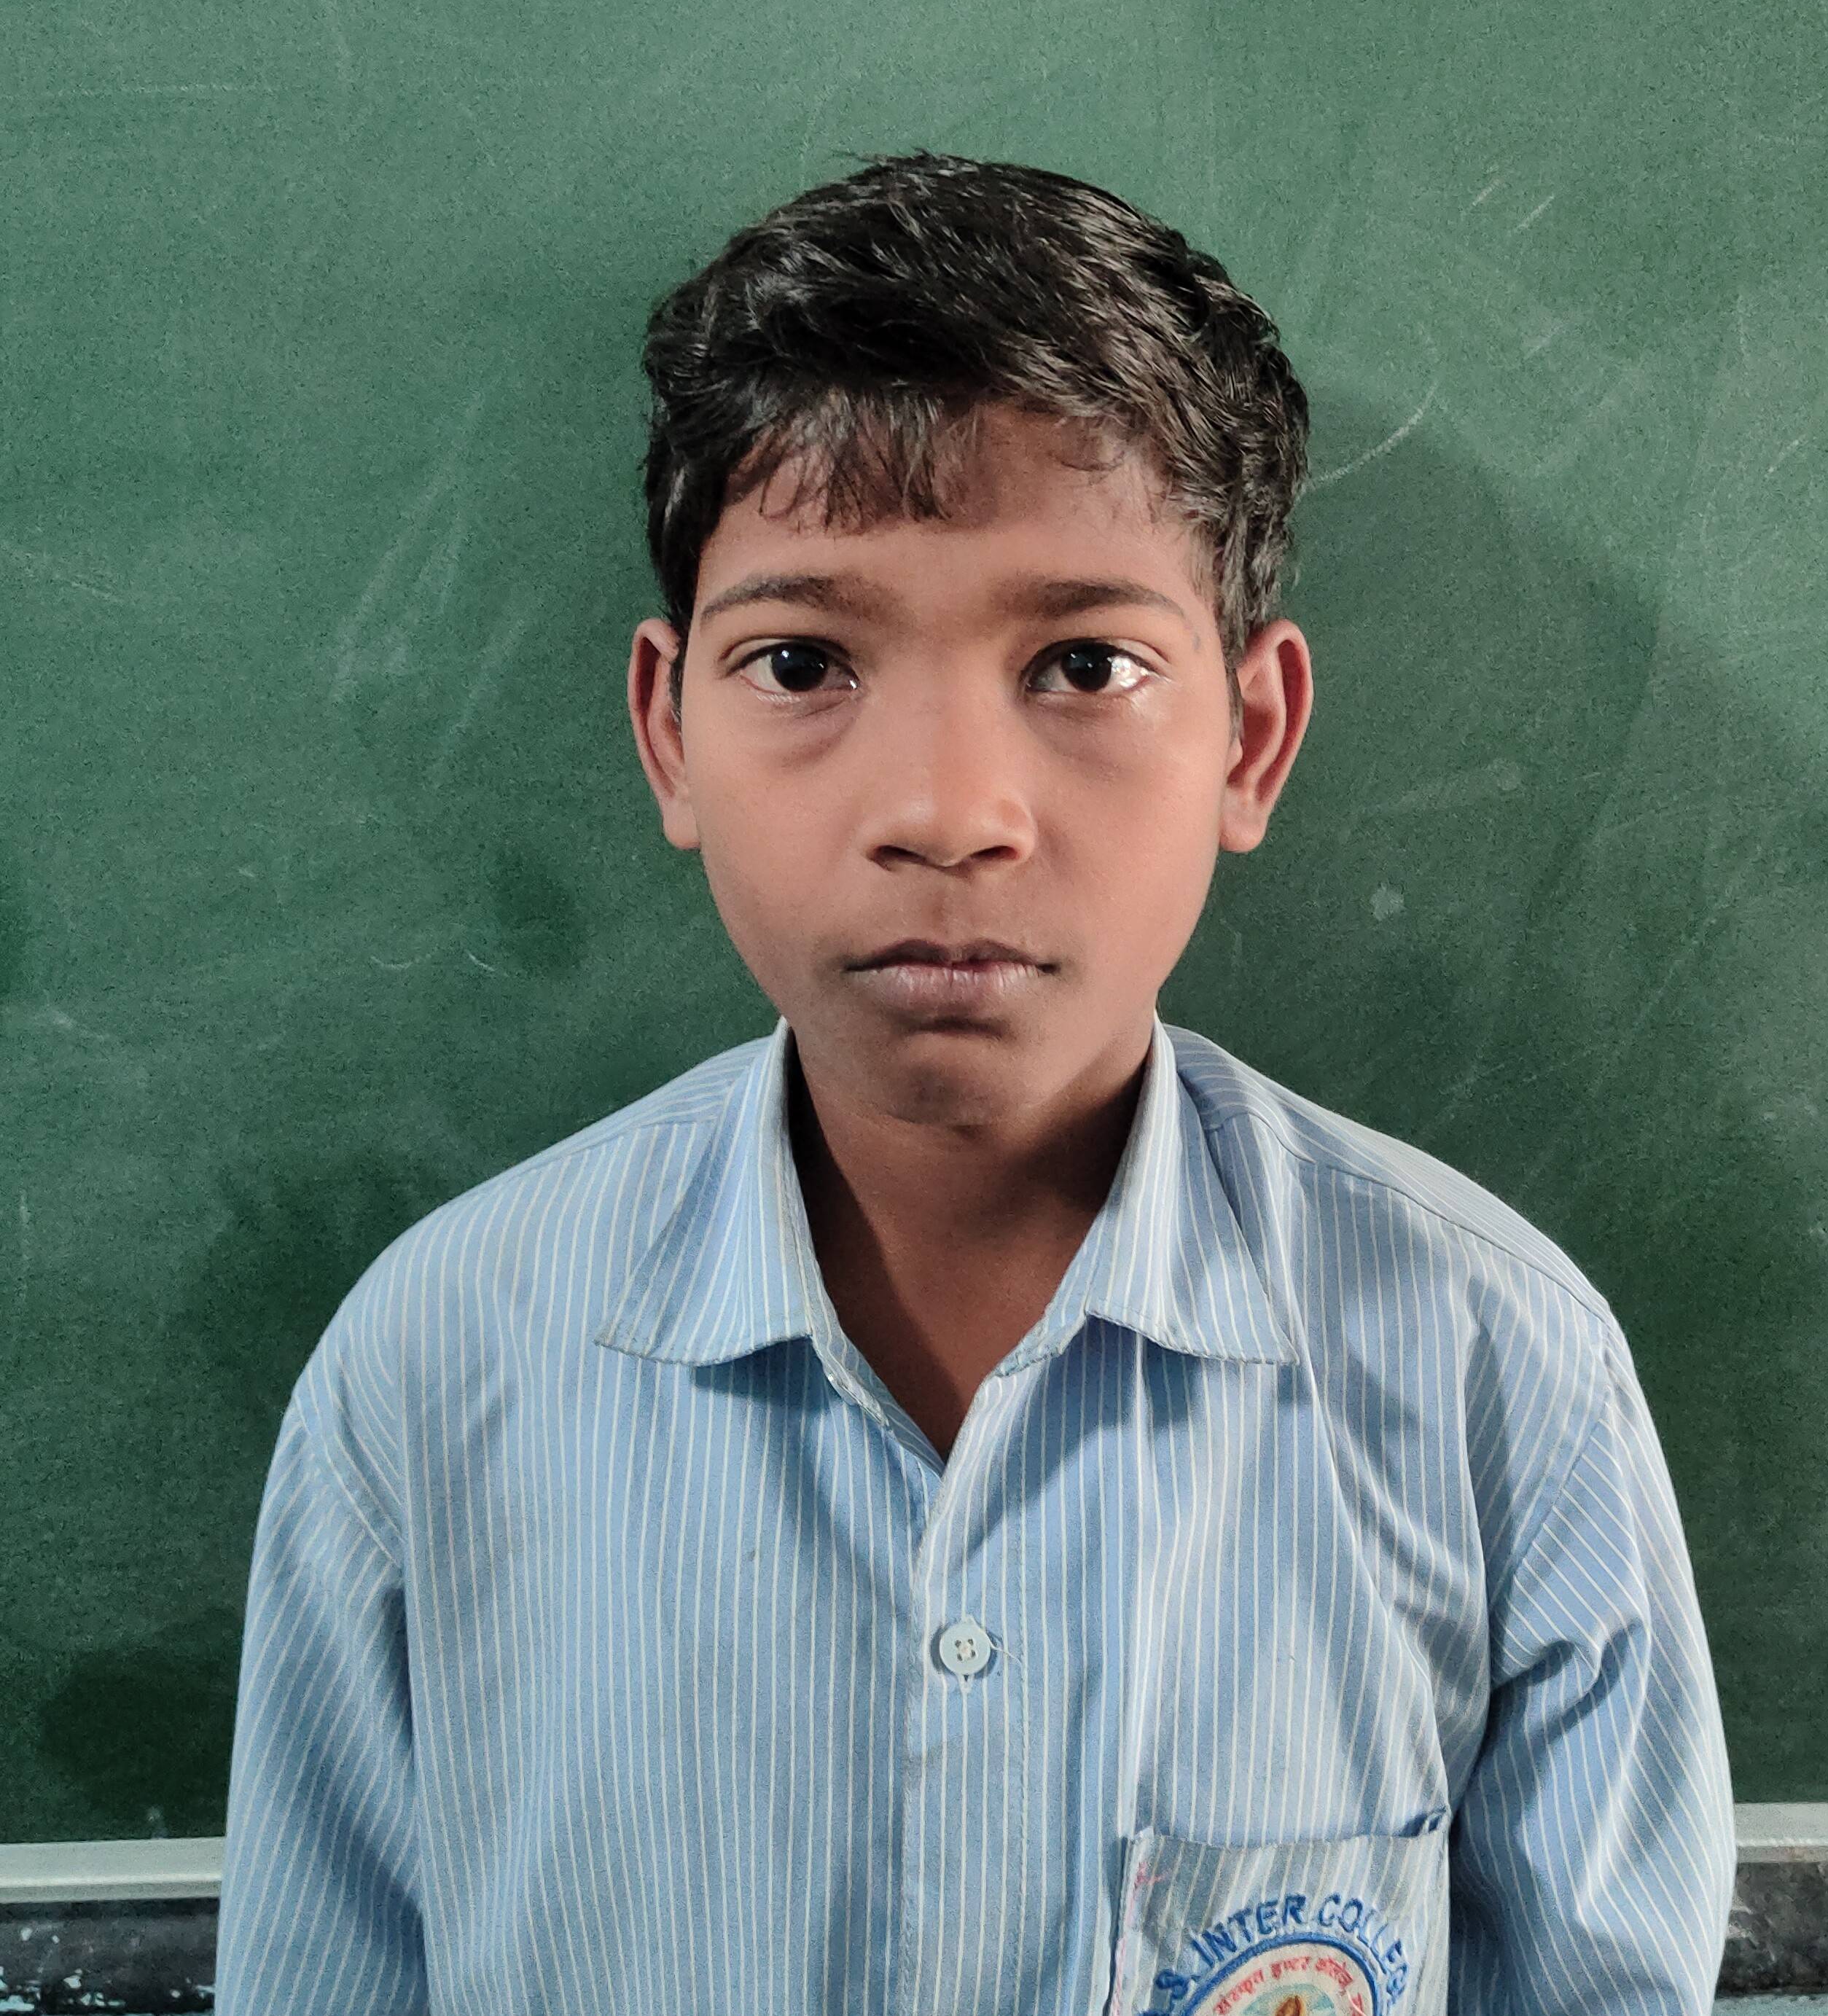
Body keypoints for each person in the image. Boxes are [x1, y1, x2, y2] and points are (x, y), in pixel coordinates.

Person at [214, 151, 1734, 2015]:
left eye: (1083, 663)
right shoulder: (436, 1370)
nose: (947, 811)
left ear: (1249, 738)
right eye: (801, 660)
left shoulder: (1494, 1373)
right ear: (666, 729)